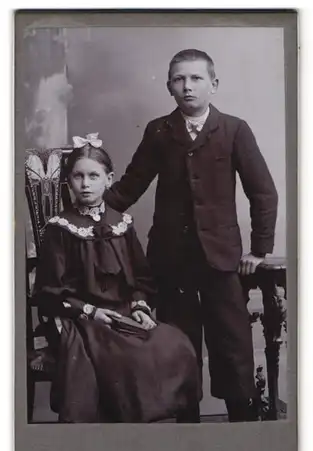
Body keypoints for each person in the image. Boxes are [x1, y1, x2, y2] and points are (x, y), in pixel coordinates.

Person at [104, 49, 278, 422]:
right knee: (179, 345)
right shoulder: (158, 131)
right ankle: (188, 431)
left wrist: (260, 250)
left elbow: (263, 192)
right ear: (169, 86)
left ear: (213, 84)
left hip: (222, 259)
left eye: (196, 78)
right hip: (171, 260)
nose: (187, 87)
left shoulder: (234, 129)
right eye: (179, 79)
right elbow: (129, 187)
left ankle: (243, 427)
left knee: (232, 346)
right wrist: (87, 209)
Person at [34, 133, 201, 423]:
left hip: (123, 314)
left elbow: (140, 278)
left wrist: (139, 307)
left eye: (94, 176)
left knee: (175, 343)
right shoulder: (60, 228)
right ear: (68, 182)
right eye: (78, 177)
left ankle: (167, 434)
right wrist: (92, 312)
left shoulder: (122, 224)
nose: (85, 184)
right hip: (81, 320)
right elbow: (50, 291)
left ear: (109, 179)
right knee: (123, 358)